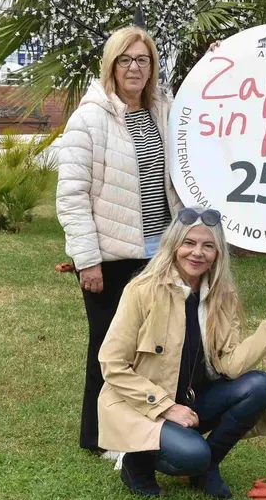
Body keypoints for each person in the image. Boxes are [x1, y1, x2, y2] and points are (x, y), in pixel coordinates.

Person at [97, 208, 266, 500]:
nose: (197, 253)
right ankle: (136, 461)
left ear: (218, 253)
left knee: (260, 386)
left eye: (208, 246)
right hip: (144, 406)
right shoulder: (141, 291)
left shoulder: (223, 294)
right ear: (173, 245)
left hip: (193, 402)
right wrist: (165, 407)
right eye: (188, 243)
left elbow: (230, 364)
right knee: (192, 453)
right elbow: (112, 363)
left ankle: (207, 467)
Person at [56, 26, 181, 457]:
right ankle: (99, 435)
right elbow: (71, 196)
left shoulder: (162, 110)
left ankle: (141, 429)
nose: (134, 68)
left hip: (158, 253)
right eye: (125, 60)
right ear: (111, 66)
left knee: (153, 347)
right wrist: (86, 260)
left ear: (152, 67)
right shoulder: (90, 117)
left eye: (142, 60)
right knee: (111, 346)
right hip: (110, 256)